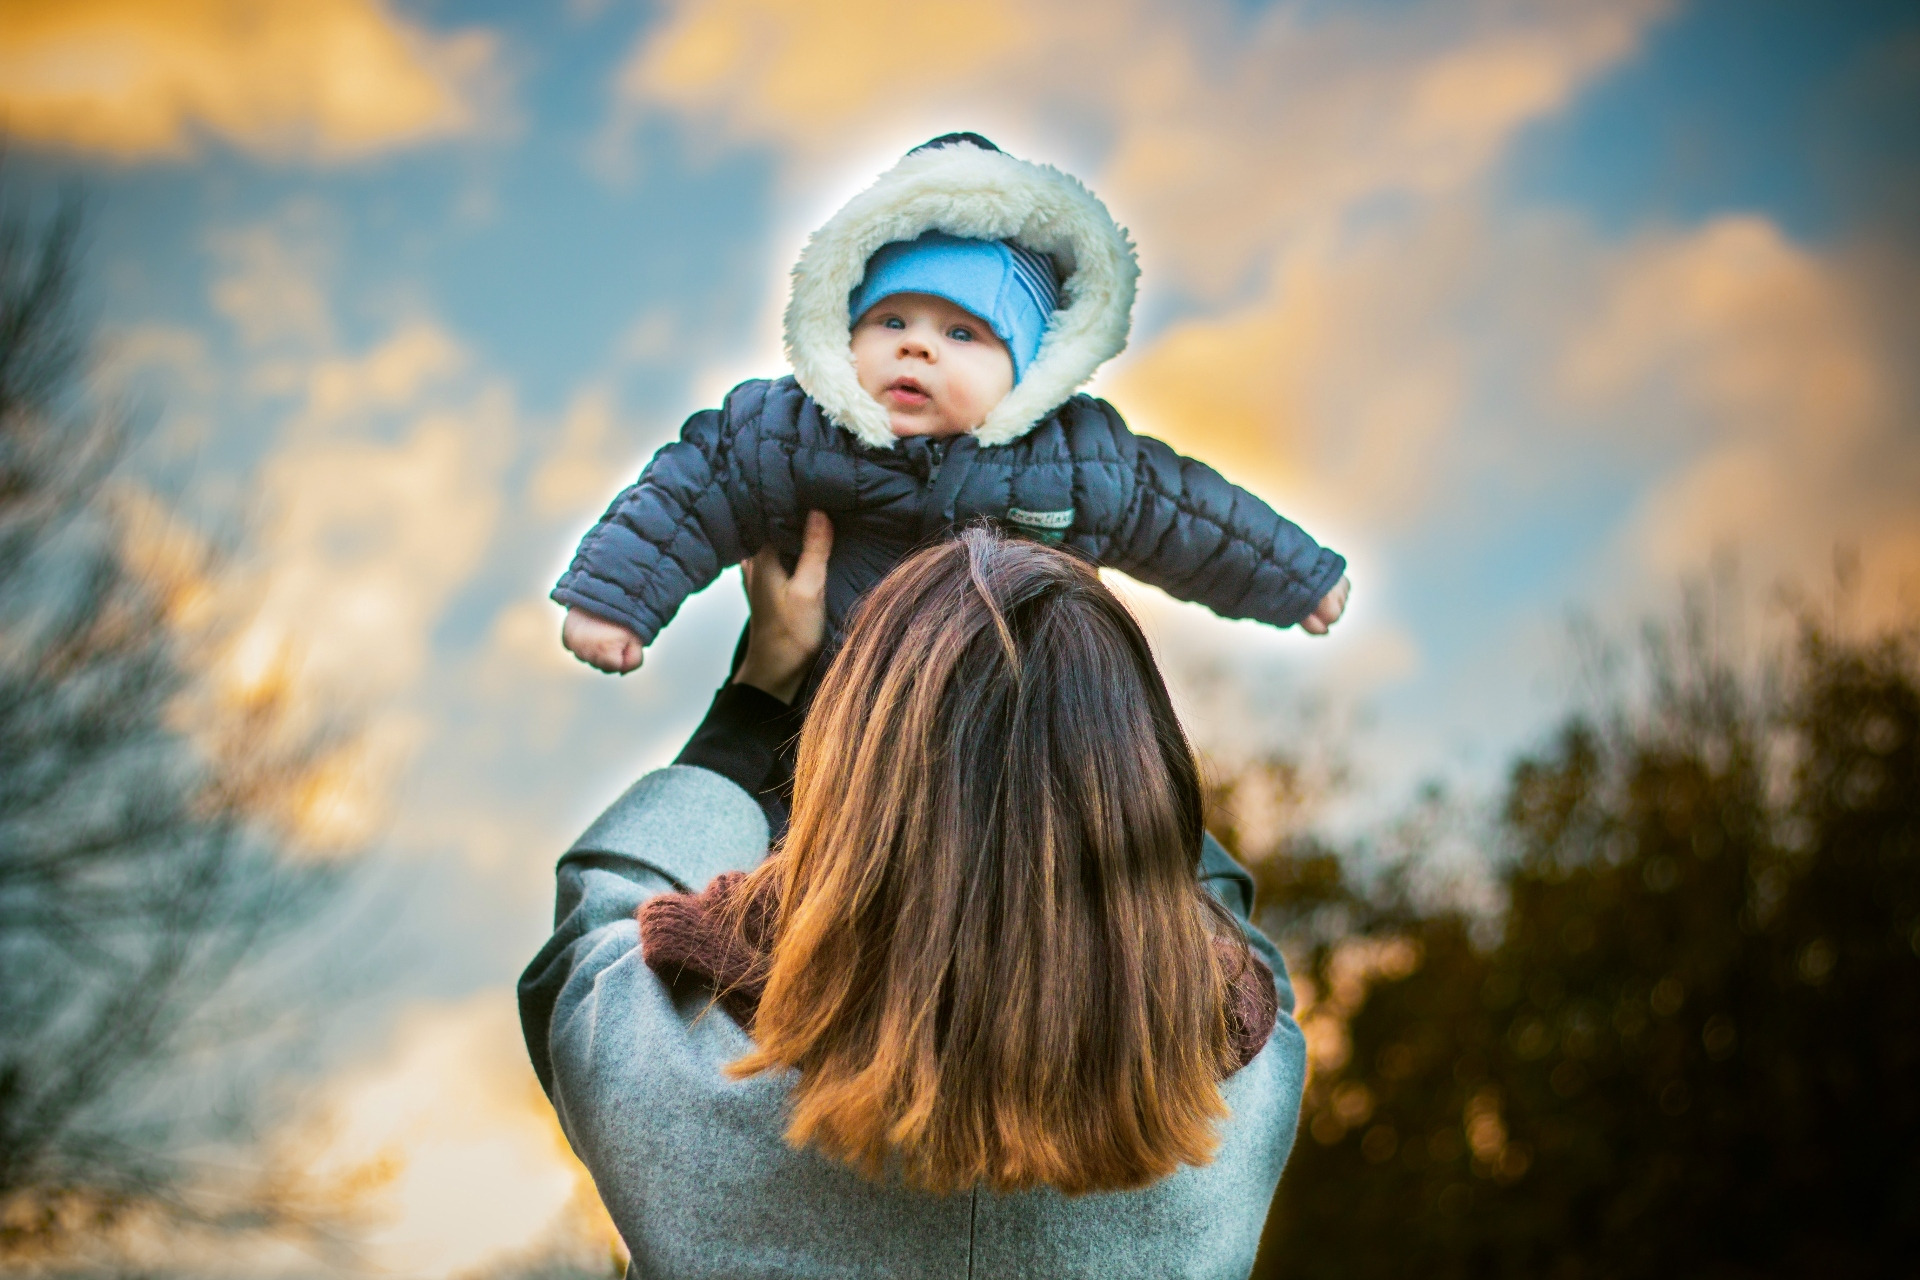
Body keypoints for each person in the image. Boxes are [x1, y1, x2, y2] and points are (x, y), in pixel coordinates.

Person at [520, 518, 1309, 1279]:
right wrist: (1092, 746)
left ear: (847, 778)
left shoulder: (670, 1064)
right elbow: (1230, 935)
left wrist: (755, 697)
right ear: (1147, 782)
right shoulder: (1244, 1097)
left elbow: (596, 925)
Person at [553, 132, 1351, 686]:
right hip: (834, 718)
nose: (918, 348)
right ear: (843, 328)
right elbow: (688, 492)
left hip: (1023, 718)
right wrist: (616, 600)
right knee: (766, 838)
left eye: (963, 333)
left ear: (1029, 372)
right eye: (892, 321)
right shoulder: (787, 432)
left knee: (1154, 824)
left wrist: (1293, 578)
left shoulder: (1075, 460)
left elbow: (1192, 519)